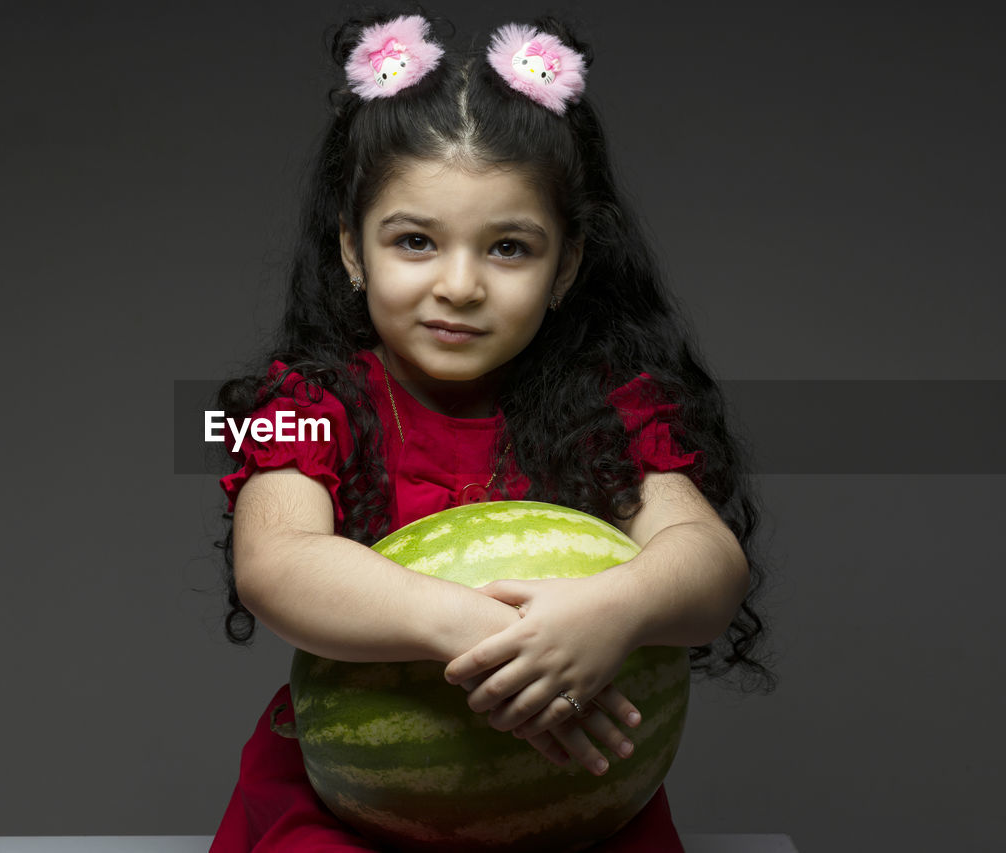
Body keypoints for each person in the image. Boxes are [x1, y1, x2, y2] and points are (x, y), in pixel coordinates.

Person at [209, 11, 775, 852]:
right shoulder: (308, 402)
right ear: (353, 252)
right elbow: (276, 561)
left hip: (573, 800)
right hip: (353, 801)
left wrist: (615, 608)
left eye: (508, 247)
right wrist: (487, 634)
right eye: (414, 242)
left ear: (567, 265)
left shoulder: (609, 406)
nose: (461, 285)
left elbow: (710, 563)